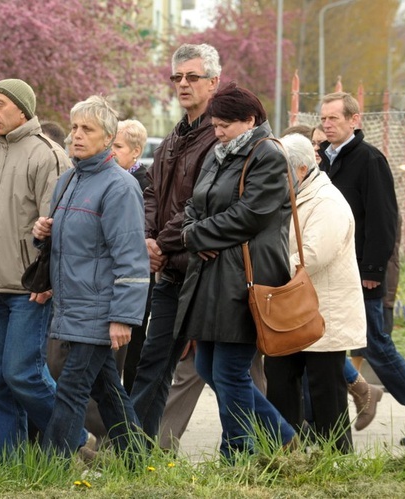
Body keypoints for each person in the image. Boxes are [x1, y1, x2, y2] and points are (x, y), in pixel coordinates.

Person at [174, 83, 296, 458]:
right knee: (211, 369)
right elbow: (195, 203)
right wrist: (195, 233)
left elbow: (251, 215)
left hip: (246, 278)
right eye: (215, 124)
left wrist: (198, 236)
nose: (218, 131)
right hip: (213, 276)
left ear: (250, 119)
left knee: (229, 372)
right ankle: (270, 441)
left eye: (225, 124)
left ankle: (251, 448)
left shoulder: (269, 154)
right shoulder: (219, 152)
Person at [0, 78, 72, 458]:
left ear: (23, 108)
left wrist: (49, 280)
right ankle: (15, 466)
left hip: (29, 288)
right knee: (1, 383)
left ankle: (74, 442)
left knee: (24, 375)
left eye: (1, 103)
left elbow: (57, 226)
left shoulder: (48, 155)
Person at [34, 95, 149, 459]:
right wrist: (43, 234)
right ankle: (137, 461)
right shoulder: (68, 179)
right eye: (74, 127)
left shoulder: (120, 186)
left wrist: (123, 317)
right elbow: (70, 246)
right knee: (108, 390)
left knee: (70, 389)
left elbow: (131, 256)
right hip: (70, 306)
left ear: (107, 138)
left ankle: (50, 467)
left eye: (88, 129)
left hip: (100, 310)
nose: (76, 135)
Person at [318, 92, 405, 446]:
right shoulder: (326, 161)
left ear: (354, 119)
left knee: (376, 346)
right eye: (324, 118)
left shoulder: (368, 159)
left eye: (334, 118)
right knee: (328, 346)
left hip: (362, 274)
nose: (327, 124)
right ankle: (324, 424)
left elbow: (383, 221)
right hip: (334, 273)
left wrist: (374, 271)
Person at [129, 43, 221, 442]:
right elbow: (152, 194)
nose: (183, 84)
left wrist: (161, 245)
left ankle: (275, 441)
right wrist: (149, 239)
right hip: (170, 271)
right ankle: (133, 449)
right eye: (177, 77)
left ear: (213, 82)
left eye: (192, 77)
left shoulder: (220, 136)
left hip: (209, 271)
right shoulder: (172, 138)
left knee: (228, 370)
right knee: (153, 362)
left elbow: (202, 202)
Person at [263, 134, 366, 453]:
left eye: (281, 172)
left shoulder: (326, 201)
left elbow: (313, 255)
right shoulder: (294, 194)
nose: (275, 179)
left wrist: (269, 271)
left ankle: (337, 458)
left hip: (323, 314)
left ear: (303, 169)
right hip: (293, 310)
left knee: (326, 392)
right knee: (279, 381)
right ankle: (283, 452)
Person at [111, 119, 152, 394]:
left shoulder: (145, 183)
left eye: (118, 146)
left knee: (133, 347)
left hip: (136, 277)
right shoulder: (108, 179)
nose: (111, 152)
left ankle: (130, 414)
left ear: (136, 151)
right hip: (112, 276)